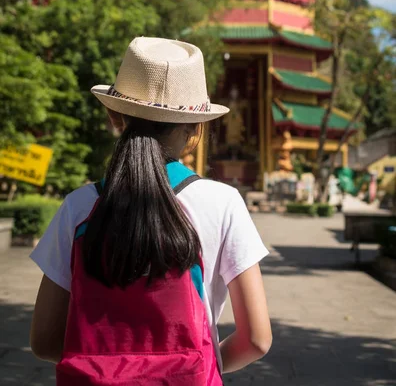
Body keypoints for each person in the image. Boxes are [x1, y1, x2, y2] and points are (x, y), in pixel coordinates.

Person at [30, 37, 272, 383]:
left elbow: (44, 341)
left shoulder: (79, 206)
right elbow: (257, 340)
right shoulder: (224, 204)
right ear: (195, 128)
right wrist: (203, 364)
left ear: (114, 115)